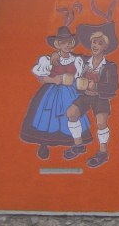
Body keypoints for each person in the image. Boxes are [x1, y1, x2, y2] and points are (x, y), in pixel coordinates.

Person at [20, 26, 92, 160]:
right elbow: (41, 78)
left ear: (72, 44)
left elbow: (80, 75)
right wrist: (53, 79)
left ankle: (74, 144)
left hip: (70, 92)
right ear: (57, 44)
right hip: (51, 91)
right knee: (47, 115)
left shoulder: (77, 60)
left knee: (71, 114)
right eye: (63, 43)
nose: (67, 45)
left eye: (69, 42)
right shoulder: (48, 59)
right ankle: (44, 143)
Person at [63, 21, 119, 168]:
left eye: (99, 43)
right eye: (93, 42)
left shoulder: (110, 66)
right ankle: (78, 145)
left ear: (105, 47)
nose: (95, 46)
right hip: (85, 96)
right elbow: (68, 56)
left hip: (100, 98)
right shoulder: (83, 61)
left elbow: (114, 86)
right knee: (71, 113)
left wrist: (96, 86)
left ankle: (103, 152)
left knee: (101, 122)